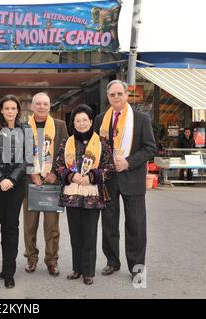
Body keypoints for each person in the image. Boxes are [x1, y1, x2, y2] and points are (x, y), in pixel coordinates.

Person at [93, 80, 156, 282]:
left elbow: (149, 148)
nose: (116, 98)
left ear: (127, 94)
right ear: (108, 97)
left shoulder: (142, 119)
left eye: (119, 93)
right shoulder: (100, 119)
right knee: (109, 224)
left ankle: (137, 267)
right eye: (112, 95)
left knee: (136, 225)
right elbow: (94, 148)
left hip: (133, 179)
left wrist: (128, 162)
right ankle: (112, 262)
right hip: (108, 180)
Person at [53, 104, 114, 285]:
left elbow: (109, 167)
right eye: (77, 121)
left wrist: (93, 176)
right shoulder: (67, 143)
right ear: (73, 123)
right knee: (75, 235)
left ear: (91, 121)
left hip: (92, 196)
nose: (81, 123)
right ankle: (77, 269)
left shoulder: (101, 143)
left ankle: (88, 272)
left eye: (84, 120)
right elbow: (58, 166)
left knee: (90, 234)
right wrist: (70, 175)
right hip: (72, 195)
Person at [0, 95, 33, 288]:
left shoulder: (27, 130)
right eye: (7, 108)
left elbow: (27, 158)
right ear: (1, 110)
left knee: (11, 226)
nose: (10, 111)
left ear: (18, 111)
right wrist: (0, 179)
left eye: (13, 108)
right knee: (3, 225)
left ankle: (9, 271)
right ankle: (6, 266)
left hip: (17, 185)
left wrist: (11, 179)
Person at [23, 92, 68, 276]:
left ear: (50, 106)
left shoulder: (60, 125)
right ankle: (31, 258)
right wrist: (31, 171)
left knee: (52, 226)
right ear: (32, 106)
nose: (41, 107)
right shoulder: (24, 127)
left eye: (45, 104)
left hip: (52, 183)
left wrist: (55, 173)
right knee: (29, 225)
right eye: (38, 104)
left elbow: (66, 152)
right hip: (30, 183)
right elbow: (19, 153)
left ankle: (52, 260)